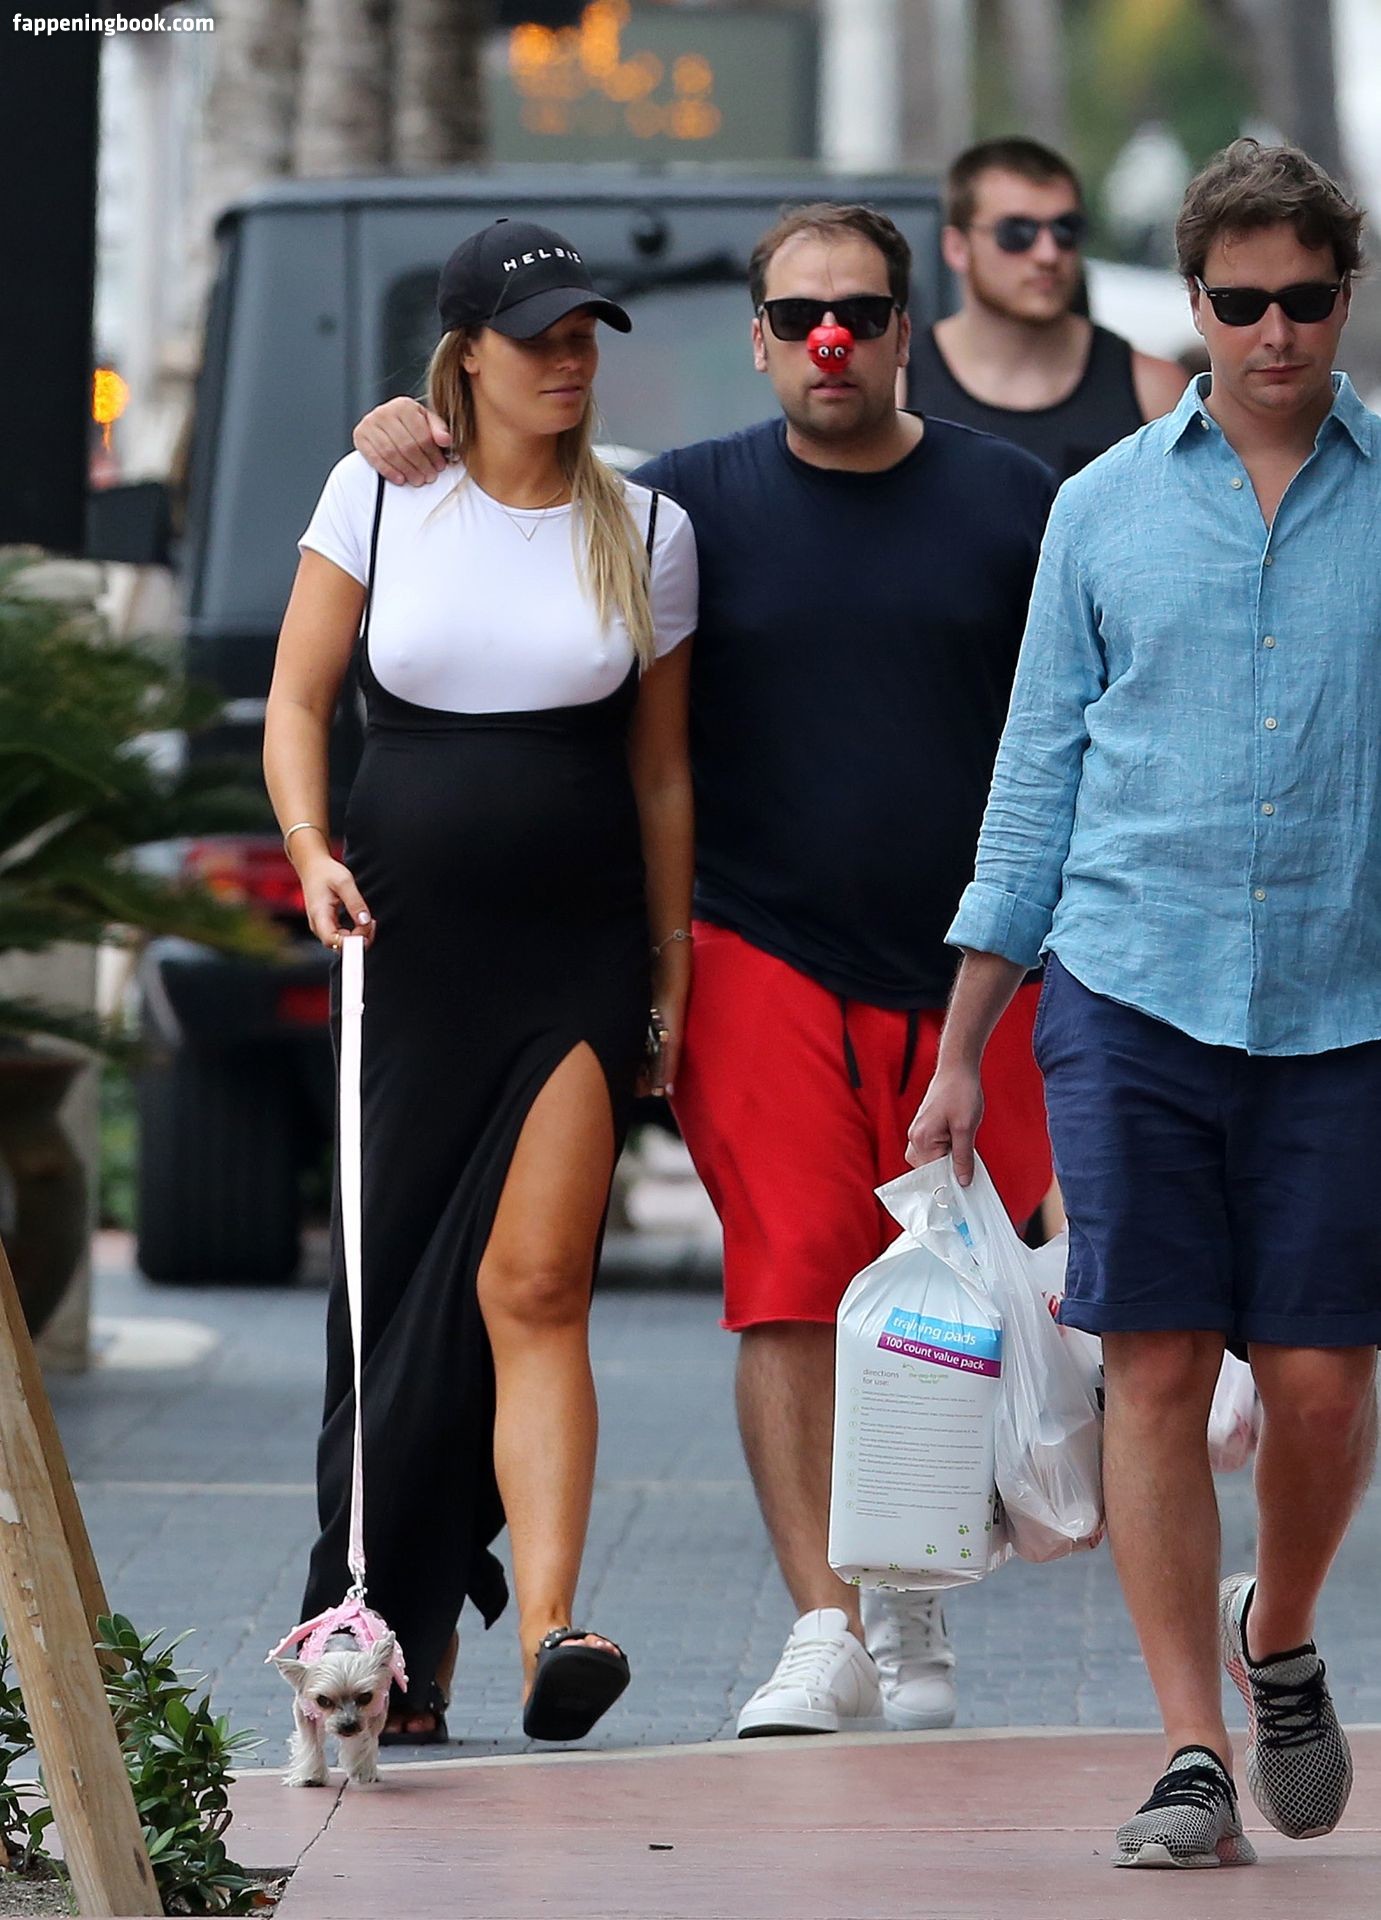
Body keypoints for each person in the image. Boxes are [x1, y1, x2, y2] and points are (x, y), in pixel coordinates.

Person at [350, 201, 1054, 1741]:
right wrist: (409, 427)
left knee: (963, 1302)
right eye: (798, 315)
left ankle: (910, 1588)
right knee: (788, 1281)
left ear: (906, 331)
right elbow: (524, 535)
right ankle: (824, 1624)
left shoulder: (1015, 502)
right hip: (761, 950)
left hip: (975, 970)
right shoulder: (680, 507)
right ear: (756, 339)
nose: (828, 339)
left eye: (859, 313)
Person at [910, 138, 1377, 1868]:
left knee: (1321, 1385)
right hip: (1126, 988)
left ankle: (1279, 1634)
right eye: (1239, 303)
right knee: (1159, 1365)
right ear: (1191, 304)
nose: (1273, 333)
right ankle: (1190, 1749)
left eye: (1304, 299)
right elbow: (1034, 778)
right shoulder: (1099, 507)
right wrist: (964, 1045)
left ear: (1345, 297)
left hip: (1346, 1000)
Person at [264, 219, 698, 1744]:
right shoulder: (377, 494)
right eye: (540, 339)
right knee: (391, 1305)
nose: (569, 361)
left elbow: (661, 777)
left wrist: (668, 974)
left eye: (585, 337)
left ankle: (556, 1632)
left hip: (576, 956)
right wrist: (307, 852)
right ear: (466, 355)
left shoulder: (648, 526)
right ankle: (395, 1629)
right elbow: (298, 703)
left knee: (536, 1286)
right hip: (406, 955)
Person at [910, 136, 1187, 478]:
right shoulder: (897, 388)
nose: (1047, 254)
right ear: (957, 248)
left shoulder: (1154, 391)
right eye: (1016, 232)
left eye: (1065, 229)